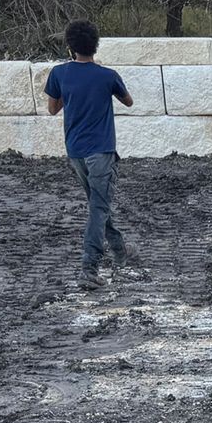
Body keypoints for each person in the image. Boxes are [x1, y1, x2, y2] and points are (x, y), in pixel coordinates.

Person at [44, 19, 136, 290]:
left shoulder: (59, 74)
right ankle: (89, 266)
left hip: (75, 152)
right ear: (95, 45)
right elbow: (128, 101)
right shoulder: (107, 75)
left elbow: (52, 109)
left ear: (71, 46)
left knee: (99, 204)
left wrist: (72, 96)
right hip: (102, 151)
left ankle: (120, 251)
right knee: (98, 206)